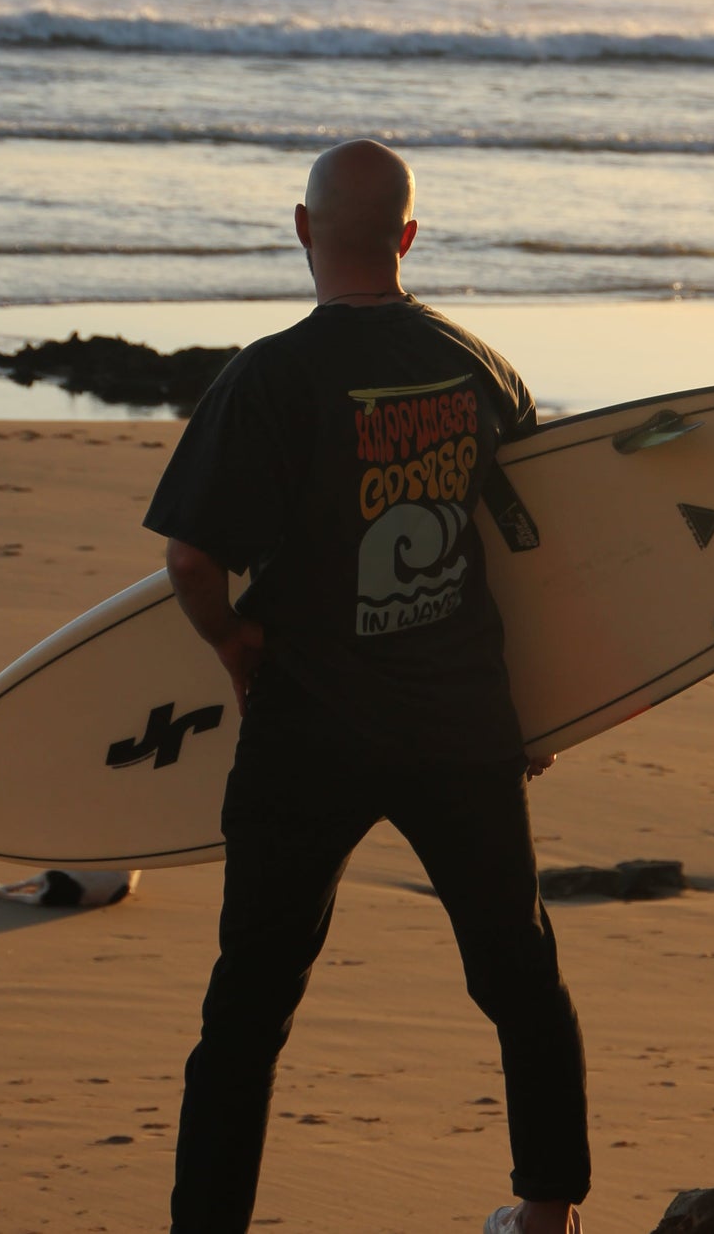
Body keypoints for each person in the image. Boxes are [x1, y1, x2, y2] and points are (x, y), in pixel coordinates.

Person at [143, 140, 590, 1234]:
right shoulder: (476, 365)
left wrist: (231, 646)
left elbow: (193, 560)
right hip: (458, 724)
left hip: (309, 729)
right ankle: (544, 1214)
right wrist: (539, 704)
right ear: (406, 238)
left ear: (301, 229)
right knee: (515, 971)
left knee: (248, 1005)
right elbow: (531, 555)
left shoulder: (267, 376)